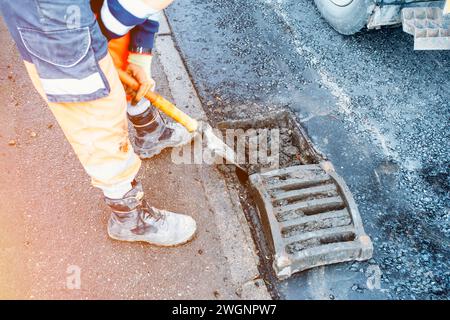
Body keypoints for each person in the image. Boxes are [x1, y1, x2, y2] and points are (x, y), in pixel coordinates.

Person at [0, 0, 197, 246]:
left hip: (77, 12)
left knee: (117, 52)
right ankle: (129, 217)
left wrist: (140, 51)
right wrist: (98, 42)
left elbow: (141, 9)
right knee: (95, 112)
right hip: (54, 23)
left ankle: (148, 129)